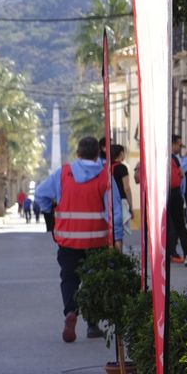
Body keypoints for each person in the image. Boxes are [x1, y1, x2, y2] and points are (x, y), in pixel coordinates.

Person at [35, 136, 123, 343]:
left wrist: (50, 211)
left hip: (68, 241)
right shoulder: (105, 177)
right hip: (97, 241)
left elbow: (40, 195)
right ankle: (92, 325)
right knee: (94, 280)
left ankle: (70, 312)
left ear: (78, 154)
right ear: (98, 154)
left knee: (69, 279)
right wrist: (117, 237)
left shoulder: (63, 174)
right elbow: (115, 211)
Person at [167, 135, 187, 265]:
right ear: (173, 144)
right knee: (180, 225)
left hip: (165, 195)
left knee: (169, 225)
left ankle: (171, 253)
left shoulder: (161, 157)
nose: (180, 148)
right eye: (179, 145)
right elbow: (182, 174)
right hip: (176, 194)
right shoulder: (174, 158)